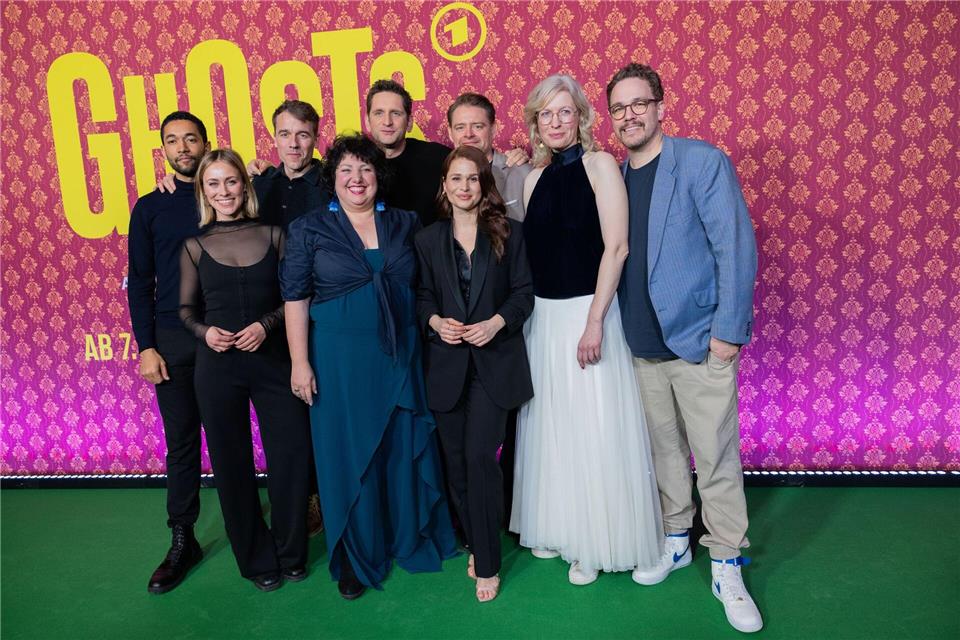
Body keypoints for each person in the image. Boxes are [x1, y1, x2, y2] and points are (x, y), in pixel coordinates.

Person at [607, 63, 761, 633]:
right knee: (664, 451)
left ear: (660, 106)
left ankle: (727, 561)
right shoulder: (613, 176)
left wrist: (728, 334)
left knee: (715, 457)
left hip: (699, 341)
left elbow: (735, 246)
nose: (629, 115)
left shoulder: (700, 162)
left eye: (638, 104)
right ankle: (677, 537)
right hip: (640, 344)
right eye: (619, 108)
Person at [280, 133, 457, 600]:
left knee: (400, 448)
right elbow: (295, 298)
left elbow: (426, 286)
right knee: (349, 455)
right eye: (346, 170)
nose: (356, 178)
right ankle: (357, 556)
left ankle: (407, 536)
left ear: (379, 175)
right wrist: (299, 362)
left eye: (365, 169)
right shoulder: (308, 228)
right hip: (337, 362)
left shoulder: (405, 222)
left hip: (400, 356)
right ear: (332, 178)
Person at [509, 74, 664, 586]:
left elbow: (616, 248)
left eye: (564, 112)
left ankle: (596, 542)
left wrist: (594, 321)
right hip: (545, 320)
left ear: (581, 117)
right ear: (535, 123)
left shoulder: (601, 167)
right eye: (545, 114)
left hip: (588, 314)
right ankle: (561, 528)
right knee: (553, 430)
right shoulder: (532, 179)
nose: (555, 122)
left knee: (592, 429)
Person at [178, 149, 311, 592]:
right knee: (231, 464)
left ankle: (292, 552)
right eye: (213, 184)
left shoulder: (275, 235)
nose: (224, 191)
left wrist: (265, 325)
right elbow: (185, 310)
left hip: (274, 362)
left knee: (291, 458)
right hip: (218, 368)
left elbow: (295, 298)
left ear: (245, 185)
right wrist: (205, 333)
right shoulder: (193, 246)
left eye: (231, 181)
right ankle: (256, 560)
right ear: (204, 192)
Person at [414, 145, 534, 602]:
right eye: (456, 178)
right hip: (446, 368)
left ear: (485, 185)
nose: (464, 187)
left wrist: (496, 323)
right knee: (457, 465)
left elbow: (524, 294)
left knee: (481, 458)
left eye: (472, 178)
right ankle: (477, 538)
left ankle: (488, 562)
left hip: (493, 364)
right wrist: (434, 322)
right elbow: (421, 297)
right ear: (444, 186)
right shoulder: (427, 240)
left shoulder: (510, 234)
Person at [128, 111, 209, 594]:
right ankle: (182, 538)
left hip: (225, 337)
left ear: (205, 145)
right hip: (173, 340)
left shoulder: (227, 192)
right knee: (181, 442)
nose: (183, 148)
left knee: (233, 437)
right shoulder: (150, 207)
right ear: (164, 151)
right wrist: (147, 346)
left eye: (191, 139)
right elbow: (140, 281)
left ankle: (249, 529)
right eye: (173, 141)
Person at [446, 93, 532, 222]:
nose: (468, 134)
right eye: (460, 127)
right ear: (450, 133)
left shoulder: (523, 173)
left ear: (493, 129)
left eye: (478, 126)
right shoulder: (442, 174)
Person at [252, 99, 332, 229]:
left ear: (316, 141)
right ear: (275, 139)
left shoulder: (333, 185)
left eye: (303, 135)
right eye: (285, 134)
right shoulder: (259, 182)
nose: (293, 144)